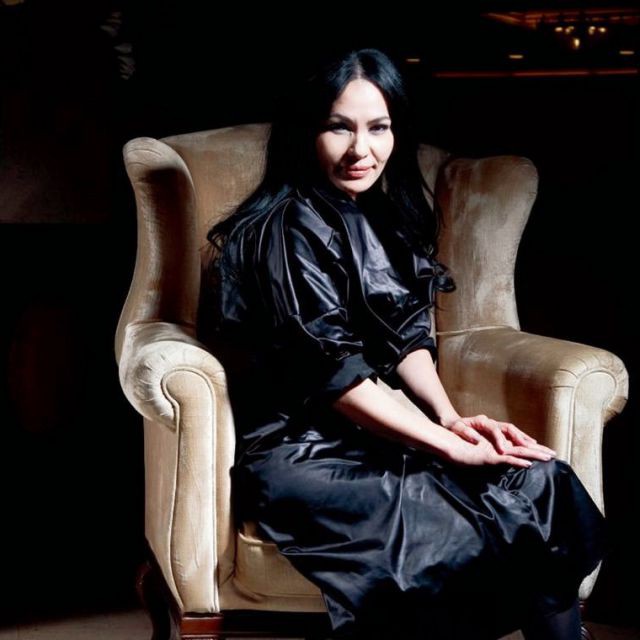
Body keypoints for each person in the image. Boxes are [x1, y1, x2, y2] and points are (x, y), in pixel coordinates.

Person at [204, 48, 609, 640]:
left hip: (374, 434)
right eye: (338, 127)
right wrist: (447, 446)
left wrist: (451, 419)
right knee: (468, 516)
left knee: (536, 479)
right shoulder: (281, 230)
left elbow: (405, 335)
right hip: (303, 453)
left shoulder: (378, 215)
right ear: (304, 131)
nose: (360, 150)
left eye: (379, 128)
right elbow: (336, 374)